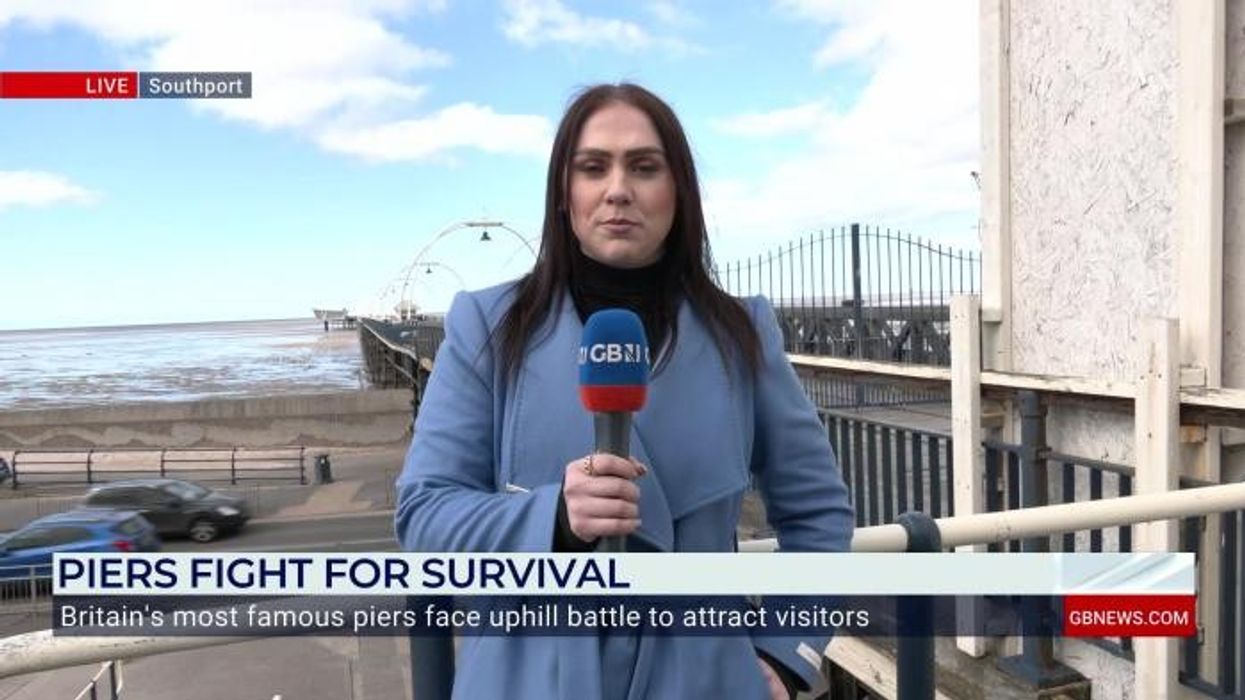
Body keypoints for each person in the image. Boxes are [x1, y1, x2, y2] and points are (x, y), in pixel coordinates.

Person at [395, 82, 854, 700]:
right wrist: (552, 516)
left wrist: (783, 654)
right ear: (565, 194)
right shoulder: (486, 325)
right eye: (593, 167)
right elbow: (424, 515)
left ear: (677, 192)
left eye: (644, 166)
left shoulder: (743, 333)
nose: (618, 189)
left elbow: (818, 513)